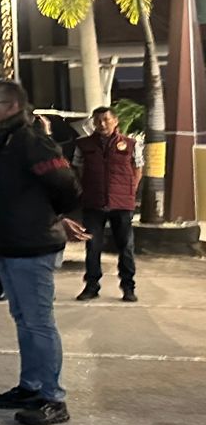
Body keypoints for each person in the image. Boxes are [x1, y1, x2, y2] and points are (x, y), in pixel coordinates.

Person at [0, 81, 89, 425]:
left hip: (31, 244)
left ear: (11, 107)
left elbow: (66, 184)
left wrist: (51, 215)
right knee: (25, 320)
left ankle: (53, 399)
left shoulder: (32, 141)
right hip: (8, 243)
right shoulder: (3, 141)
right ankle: (31, 387)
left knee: (39, 323)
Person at [73, 105, 142, 303]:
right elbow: (78, 169)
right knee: (93, 246)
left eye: (106, 120)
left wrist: (129, 191)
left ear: (115, 121)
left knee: (125, 247)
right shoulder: (83, 144)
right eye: (97, 121)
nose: (102, 124)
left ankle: (128, 287)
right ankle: (91, 286)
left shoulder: (130, 144)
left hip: (122, 204)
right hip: (93, 203)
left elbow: (138, 168)